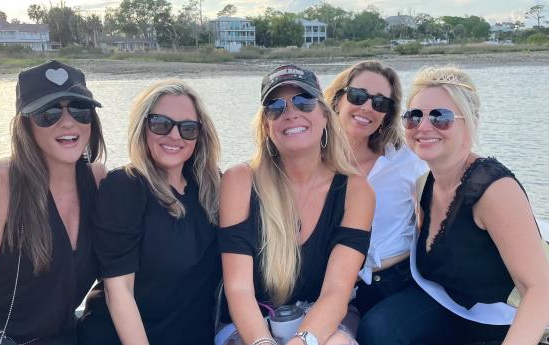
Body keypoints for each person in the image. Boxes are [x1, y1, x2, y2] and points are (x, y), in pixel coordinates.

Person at [357, 66, 549, 345]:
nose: (424, 127)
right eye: (414, 116)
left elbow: (540, 289)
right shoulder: (424, 185)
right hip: (449, 308)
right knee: (378, 330)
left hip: (501, 324)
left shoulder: (493, 190)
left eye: (441, 117)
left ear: (470, 121)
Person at [218, 65, 374, 345]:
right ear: (266, 125)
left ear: (325, 116)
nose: (291, 112)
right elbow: (239, 288)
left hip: (325, 318)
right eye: (276, 106)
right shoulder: (239, 181)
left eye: (304, 101)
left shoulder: (356, 190)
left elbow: (337, 291)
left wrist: (302, 341)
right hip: (253, 321)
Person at [77, 80, 222, 345]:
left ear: (200, 135)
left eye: (188, 128)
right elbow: (118, 290)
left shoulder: (212, 189)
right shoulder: (125, 188)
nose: (175, 136)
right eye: (160, 124)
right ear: (143, 126)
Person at [0, 60, 106, 345]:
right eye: (49, 112)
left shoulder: (98, 180)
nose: (68, 121)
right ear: (25, 124)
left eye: (80, 110)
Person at [323, 60, 427, 327]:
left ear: (388, 114)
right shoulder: (310, 160)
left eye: (380, 103)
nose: (367, 107)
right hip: (323, 282)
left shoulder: (408, 164)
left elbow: (433, 224)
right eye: (358, 96)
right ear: (337, 100)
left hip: (391, 282)